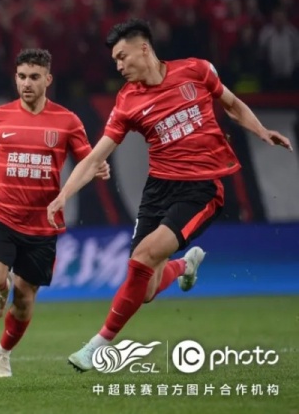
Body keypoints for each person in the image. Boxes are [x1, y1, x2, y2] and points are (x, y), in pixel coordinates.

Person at [46, 19, 293, 372]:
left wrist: (261, 130)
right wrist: (63, 196)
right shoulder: (127, 101)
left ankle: (96, 347)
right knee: (144, 290)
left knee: (143, 256)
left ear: (144, 48)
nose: (118, 66)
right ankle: (183, 266)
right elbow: (96, 157)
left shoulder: (197, 71)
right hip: (158, 189)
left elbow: (232, 103)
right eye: (115, 60)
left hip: (201, 189)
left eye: (122, 56)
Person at [0, 49, 111, 378]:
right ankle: (1, 286)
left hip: (42, 225)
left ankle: (2, 353)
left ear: (48, 79)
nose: (26, 83)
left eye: (33, 77)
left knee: (25, 300)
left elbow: (88, 162)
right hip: (2, 214)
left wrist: (96, 168)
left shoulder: (67, 121)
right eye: (21, 77)